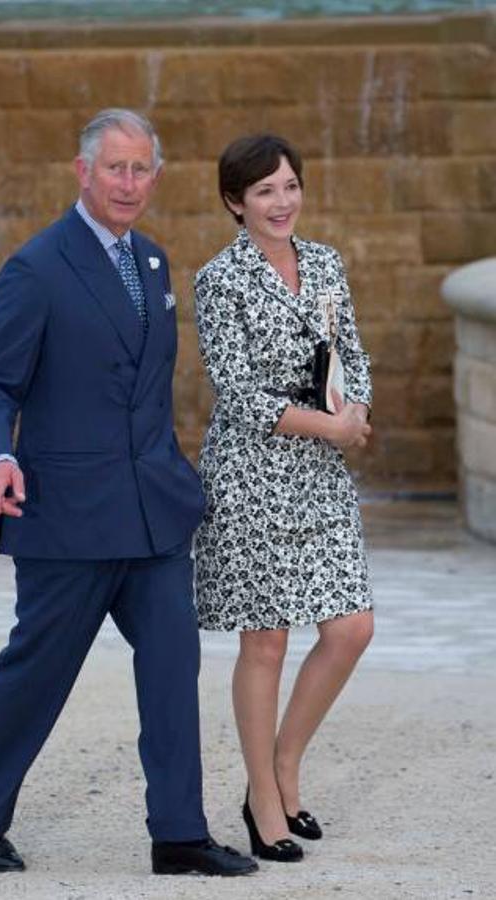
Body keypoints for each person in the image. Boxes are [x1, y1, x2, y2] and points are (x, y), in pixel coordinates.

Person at [0, 109, 257, 879]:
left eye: (140, 168)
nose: (128, 182)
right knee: (39, 671)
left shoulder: (152, 263)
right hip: (67, 519)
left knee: (172, 669)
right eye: (114, 167)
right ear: (83, 172)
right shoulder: (36, 268)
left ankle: (178, 833)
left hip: (152, 517)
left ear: (154, 176)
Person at [193, 133, 374, 863]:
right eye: (264, 190)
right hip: (253, 472)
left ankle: (284, 763)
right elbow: (234, 393)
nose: (281, 201)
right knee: (264, 640)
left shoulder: (327, 263)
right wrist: (327, 425)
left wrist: (355, 413)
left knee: (351, 628)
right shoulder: (219, 279)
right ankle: (263, 800)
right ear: (236, 202)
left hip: (323, 471)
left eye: (290, 185)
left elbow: (352, 353)